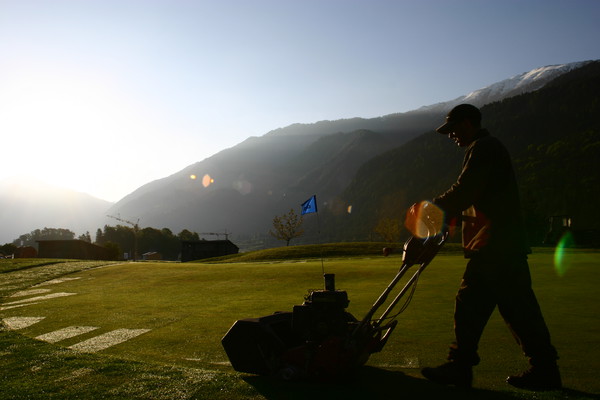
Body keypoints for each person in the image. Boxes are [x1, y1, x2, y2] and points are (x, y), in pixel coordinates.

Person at [418, 104, 561, 390]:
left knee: (515, 310)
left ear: (468, 123)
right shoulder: (484, 147)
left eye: (453, 129)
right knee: (481, 305)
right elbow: (476, 196)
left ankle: (540, 369)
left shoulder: (484, 147)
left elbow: (466, 189)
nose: (451, 136)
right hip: (496, 244)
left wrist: (434, 208)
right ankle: (464, 367)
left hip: (497, 246)